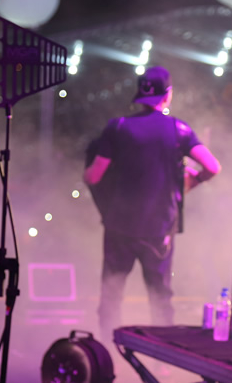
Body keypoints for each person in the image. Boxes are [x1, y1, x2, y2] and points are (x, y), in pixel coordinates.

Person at [84, 66, 221, 339]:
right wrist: (191, 181)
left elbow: (94, 176)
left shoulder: (118, 127)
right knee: (160, 299)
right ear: (167, 95)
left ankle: (107, 353)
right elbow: (212, 167)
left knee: (111, 295)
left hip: (119, 227)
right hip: (159, 230)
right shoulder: (178, 130)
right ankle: (162, 357)